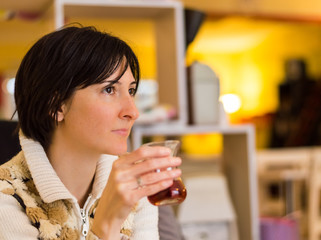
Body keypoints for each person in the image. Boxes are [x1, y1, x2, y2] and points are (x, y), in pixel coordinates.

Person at [0, 25, 183, 240]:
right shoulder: (7, 199)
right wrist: (106, 225)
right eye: (109, 89)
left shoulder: (133, 188)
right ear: (56, 106)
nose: (132, 112)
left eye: (131, 91)